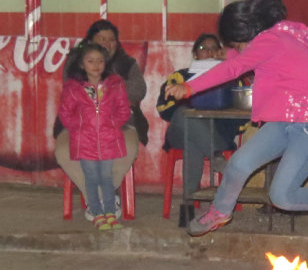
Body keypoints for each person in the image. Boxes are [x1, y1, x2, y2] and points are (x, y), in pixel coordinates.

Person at [165, 0, 308, 239]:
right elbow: (236, 58)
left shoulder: (269, 42)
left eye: (235, 44)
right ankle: (220, 211)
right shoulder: (272, 38)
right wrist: (226, 54)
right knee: (239, 163)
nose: (234, 50)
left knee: (282, 196)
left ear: (245, 36)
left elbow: (233, 67)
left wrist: (189, 87)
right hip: (285, 121)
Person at [54, 19, 148, 219]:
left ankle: (103, 197)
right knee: (63, 152)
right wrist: (76, 124)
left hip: (118, 125)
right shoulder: (75, 61)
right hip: (80, 126)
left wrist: (111, 82)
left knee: (128, 149)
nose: (107, 43)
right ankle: (97, 198)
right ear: (90, 41)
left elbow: (139, 90)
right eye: (101, 39)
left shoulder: (126, 63)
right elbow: (69, 92)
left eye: (111, 39)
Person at [157, 33, 246, 226]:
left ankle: (187, 209)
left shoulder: (231, 78)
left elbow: (242, 121)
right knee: (183, 115)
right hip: (178, 133)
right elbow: (163, 109)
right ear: (195, 54)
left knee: (193, 141)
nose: (210, 52)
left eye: (214, 48)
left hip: (218, 136)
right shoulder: (180, 76)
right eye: (204, 48)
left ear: (222, 53)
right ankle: (216, 157)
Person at [58, 43, 131, 230]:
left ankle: (110, 213)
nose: (96, 65)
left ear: (106, 63)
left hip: (109, 140)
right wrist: (79, 127)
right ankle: (97, 214)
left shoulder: (115, 84)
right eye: (91, 61)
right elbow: (65, 114)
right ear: (82, 64)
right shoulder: (73, 88)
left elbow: (124, 110)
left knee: (106, 178)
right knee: (91, 178)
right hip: (84, 141)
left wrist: (113, 124)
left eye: (100, 61)